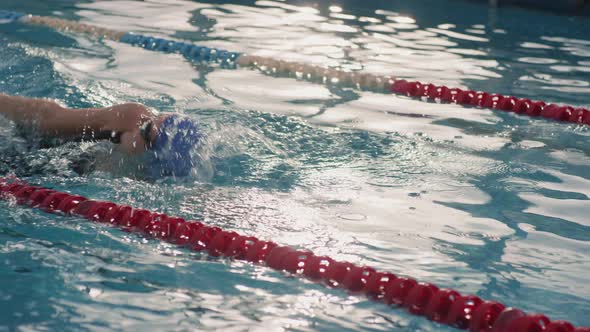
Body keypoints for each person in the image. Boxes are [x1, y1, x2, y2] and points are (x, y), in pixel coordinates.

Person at [0, 93, 203, 178]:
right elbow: (48, 116)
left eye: (146, 130)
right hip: (21, 141)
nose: (141, 123)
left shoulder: (138, 178)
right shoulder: (130, 117)